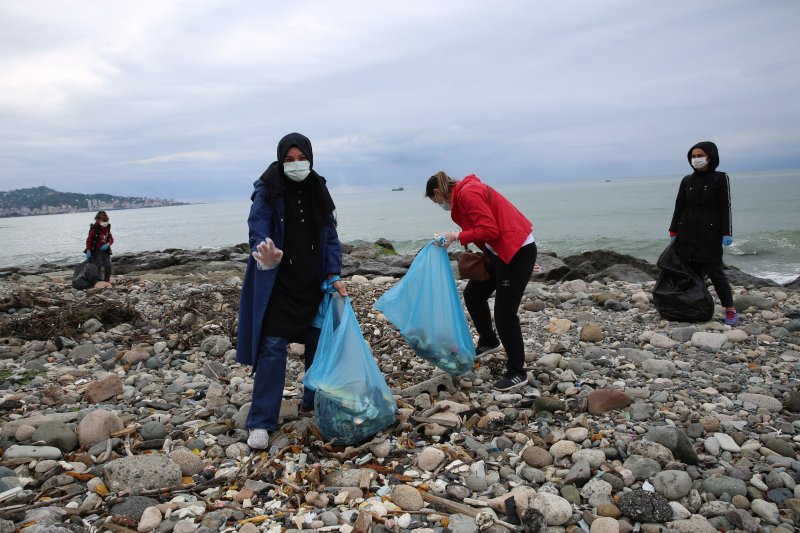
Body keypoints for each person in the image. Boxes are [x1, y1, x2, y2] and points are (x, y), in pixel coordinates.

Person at [236, 132, 346, 450]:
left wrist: (334, 273)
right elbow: (257, 226)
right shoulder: (268, 188)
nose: (296, 165)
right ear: (280, 160)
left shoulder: (318, 187)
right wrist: (264, 251)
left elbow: (330, 236)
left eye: (301, 159)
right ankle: (260, 421)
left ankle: (311, 402)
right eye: (289, 159)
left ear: (310, 159)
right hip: (278, 284)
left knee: (317, 345)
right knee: (272, 349)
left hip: (312, 283)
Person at [426, 171, 537, 391]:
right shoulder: (462, 196)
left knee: (505, 313)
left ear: (438, 192)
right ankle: (489, 341)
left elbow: (490, 229)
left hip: (517, 251)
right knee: (473, 295)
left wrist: (457, 236)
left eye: (434, 200)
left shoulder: (468, 193)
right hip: (501, 253)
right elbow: (482, 229)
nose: (438, 204)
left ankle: (517, 371)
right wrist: (456, 238)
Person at [669, 141, 738, 326]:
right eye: (693, 156)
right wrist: (673, 229)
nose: (696, 159)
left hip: (710, 234)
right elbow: (679, 206)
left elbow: (725, 207)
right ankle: (695, 306)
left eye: (700, 155)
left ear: (710, 157)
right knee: (691, 273)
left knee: (716, 273)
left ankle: (730, 310)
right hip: (686, 232)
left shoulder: (720, 178)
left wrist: (726, 232)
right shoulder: (687, 180)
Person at [84, 210, 114, 283]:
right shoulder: (94, 229)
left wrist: (108, 244)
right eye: (102, 221)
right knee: (98, 265)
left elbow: (111, 239)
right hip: (97, 250)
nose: (104, 223)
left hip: (106, 250)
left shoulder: (107, 228)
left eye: (105, 221)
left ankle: (107, 280)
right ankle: (97, 280)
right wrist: (88, 250)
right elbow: (89, 240)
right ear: (97, 220)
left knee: (108, 265)